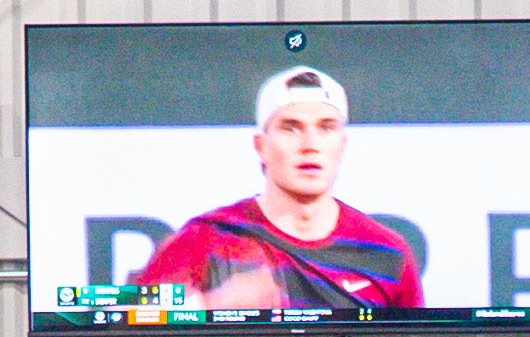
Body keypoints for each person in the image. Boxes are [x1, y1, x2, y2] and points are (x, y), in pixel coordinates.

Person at [125, 62, 427, 316]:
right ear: (261, 147)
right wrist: (211, 305)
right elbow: (124, 320)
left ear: (342, 145)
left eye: (325, 128)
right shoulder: (206, 239)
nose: (310, 146)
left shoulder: (388, 254)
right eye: (290, 128)